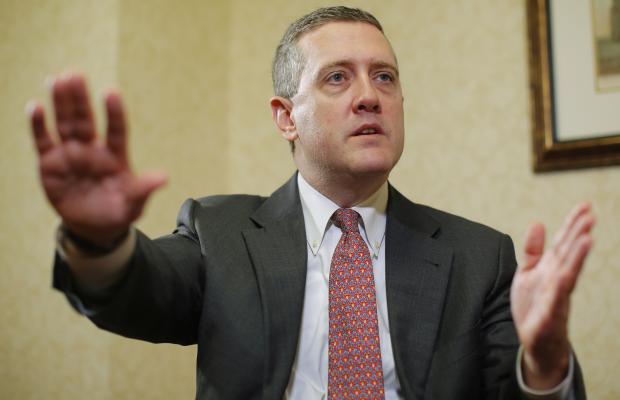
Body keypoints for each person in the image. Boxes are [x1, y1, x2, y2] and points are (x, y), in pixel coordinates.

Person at [28, 6, 594, 400]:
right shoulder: (220, 233)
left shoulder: (480, 257)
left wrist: (544, 363)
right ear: (286, 118)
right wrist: (98, 241)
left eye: (384, 77)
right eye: (337, 78)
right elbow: (139, 294)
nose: (369, 96)